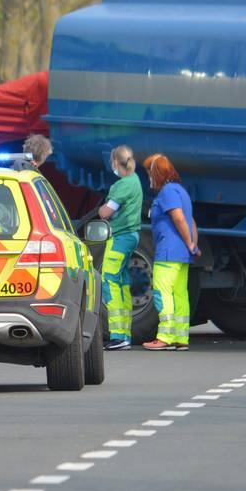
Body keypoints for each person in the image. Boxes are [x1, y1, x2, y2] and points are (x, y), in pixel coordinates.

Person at [141, 153, 199, 351]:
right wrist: (192, 244)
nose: (148, 177)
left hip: (168, 252)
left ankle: (164, 336)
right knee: (179, 294)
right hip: (182, 254)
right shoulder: (181, 191)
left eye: (149, 172)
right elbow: (191, 221)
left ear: (156, 173)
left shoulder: (167, 192)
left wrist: (189, 243)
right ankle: (180, 337)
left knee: (162, 292)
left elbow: (179, 219)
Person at [98, 146, 143, 350]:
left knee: (109, 279)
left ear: (116, 162)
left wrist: (101, 208)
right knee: (123, 282)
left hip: (120, 237)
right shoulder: (135, 181)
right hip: (131, 236)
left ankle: (118, 335)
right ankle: (124, 334)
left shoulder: (123, 185)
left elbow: (106, 213)